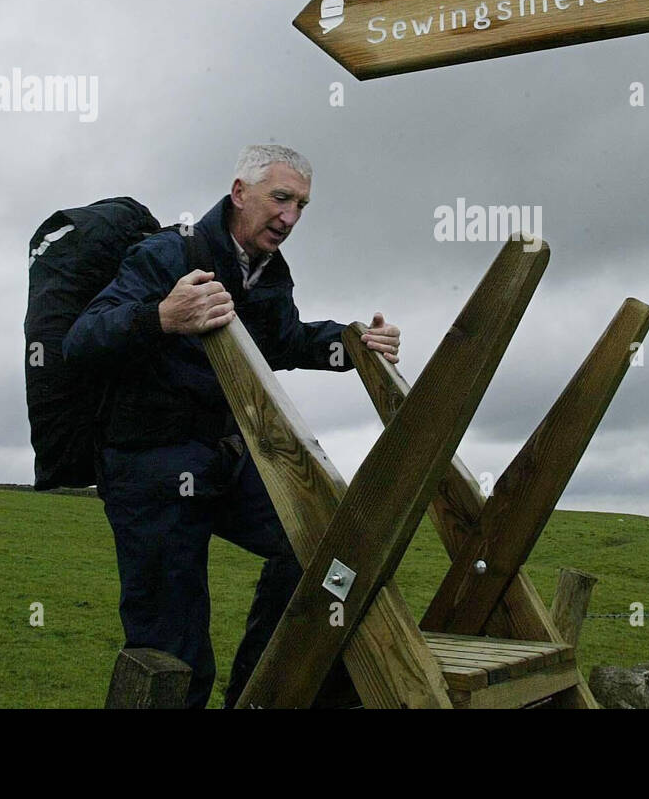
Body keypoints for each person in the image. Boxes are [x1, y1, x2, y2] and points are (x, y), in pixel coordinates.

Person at [63, 143, 399, 708]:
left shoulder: (270, 274)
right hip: (151, 469)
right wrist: (162, 317)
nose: (290, 217)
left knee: (322, 545)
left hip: (226, 459)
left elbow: (285, 340)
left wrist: (353, 342)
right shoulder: (166, 253)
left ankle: (258, 694)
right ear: (240, 192)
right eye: (281, 198)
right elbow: (82, 340)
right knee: (175, 649)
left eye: (302, 206)